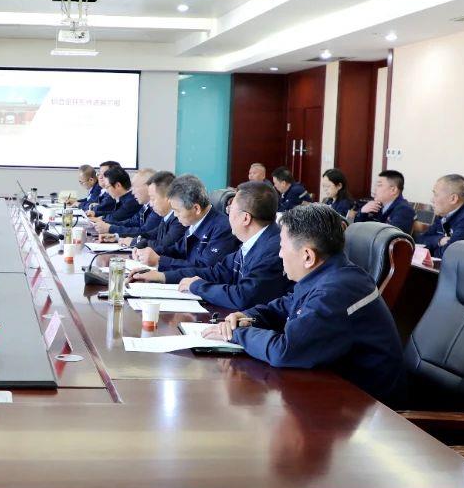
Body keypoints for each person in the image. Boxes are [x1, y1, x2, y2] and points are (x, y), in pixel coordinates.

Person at [202, 203, 406, 407]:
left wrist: (237, 333)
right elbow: (285, 305)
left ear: (308, 256)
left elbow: (285, 351)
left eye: (282, 247)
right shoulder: (330, 273)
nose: (280, 254)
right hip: (334, 388)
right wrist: (248, 317)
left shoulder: (336, 291)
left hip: (366, 405)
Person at [135, 181, 293, 311]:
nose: (227, 214)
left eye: (230, 209)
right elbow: (217, 272)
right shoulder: (256, 241)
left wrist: (198, 286)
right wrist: (162, 276)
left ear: (245, 218)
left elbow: (243, 296)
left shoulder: (273, 249)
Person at [132, 174, 236, 273]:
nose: (175, 215)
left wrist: (159, 261)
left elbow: (204, 268)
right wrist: (151, 251)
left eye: (177, 210)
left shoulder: (223, 228)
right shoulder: (195, 222)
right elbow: (178, 250)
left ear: (196, 208)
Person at [416, 174, 464, 258]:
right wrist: (439, 240)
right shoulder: (445, 213)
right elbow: (420, 240)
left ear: (453, 199)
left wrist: (428, 250)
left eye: (436, 195)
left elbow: (449, 254)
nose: (432, 200)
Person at [94, 168, 156, 237]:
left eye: (136, 187)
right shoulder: (145, 205)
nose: (133, 192)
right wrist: (108, 225)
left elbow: (144, 232)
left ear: (149, 187)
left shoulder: (156, 209)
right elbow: (131, 222)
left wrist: (110, 228)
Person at [353, 169, 415, 234]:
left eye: (379, 185)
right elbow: (357, 230)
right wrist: (363, 212)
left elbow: (391, 235)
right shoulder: (378, 206)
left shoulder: (404, 210)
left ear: (393, 190)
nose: (374, 189)